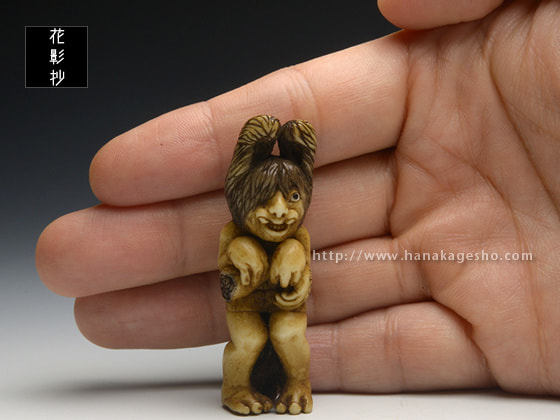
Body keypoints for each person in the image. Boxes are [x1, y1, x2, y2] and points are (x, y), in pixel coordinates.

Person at [35, 0, 560, 395]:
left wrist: (294, 278)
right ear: (241, 198)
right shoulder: (232, 233)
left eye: (291, 198)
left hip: (284, 310)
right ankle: (237, 390)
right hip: (246, 309)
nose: (280, 212)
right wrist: (240, 265)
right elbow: (230, 278)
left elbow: (302, 275)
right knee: (247, 343)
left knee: (291, 340)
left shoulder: (300, 237)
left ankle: (298, 386)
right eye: (266, 203)